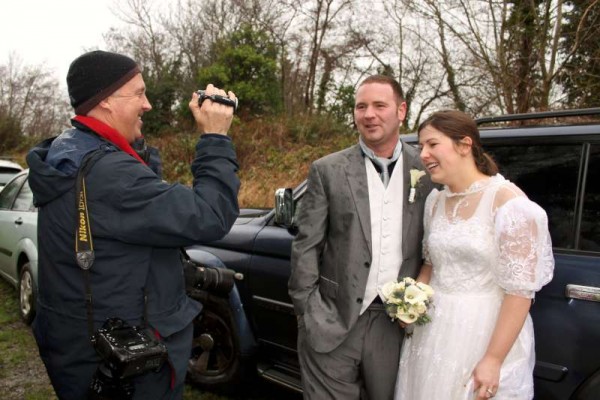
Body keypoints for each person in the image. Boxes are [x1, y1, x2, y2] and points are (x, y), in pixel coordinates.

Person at [26, 50, 240, 399]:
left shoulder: (71, 154)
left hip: (84, 351)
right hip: (130, 369)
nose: (148, 105)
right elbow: (210, 214)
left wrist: (132, 147)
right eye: (139, 93)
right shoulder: (111, 175)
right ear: (107, 101)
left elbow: (132, 222)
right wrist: (215, 138)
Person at [288, 74, 435, 399]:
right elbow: (305, 247)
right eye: (361, 106)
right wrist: (308, 313)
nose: (369, 114)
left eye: (379, 105)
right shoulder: (327, 170)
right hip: (332, 321)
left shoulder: (426, 171)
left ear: (401, 111)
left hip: (394, 325)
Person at [395, 110, 554, 400]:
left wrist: (493, 359)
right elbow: (432, 264)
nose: (424, 155)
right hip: (431, 333)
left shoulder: (509, 203)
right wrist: (411, 302)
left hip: (482, 332)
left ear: (465, 145)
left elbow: (520, 293)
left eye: (432, 144)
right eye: (421, 147)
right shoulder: (435, 200)